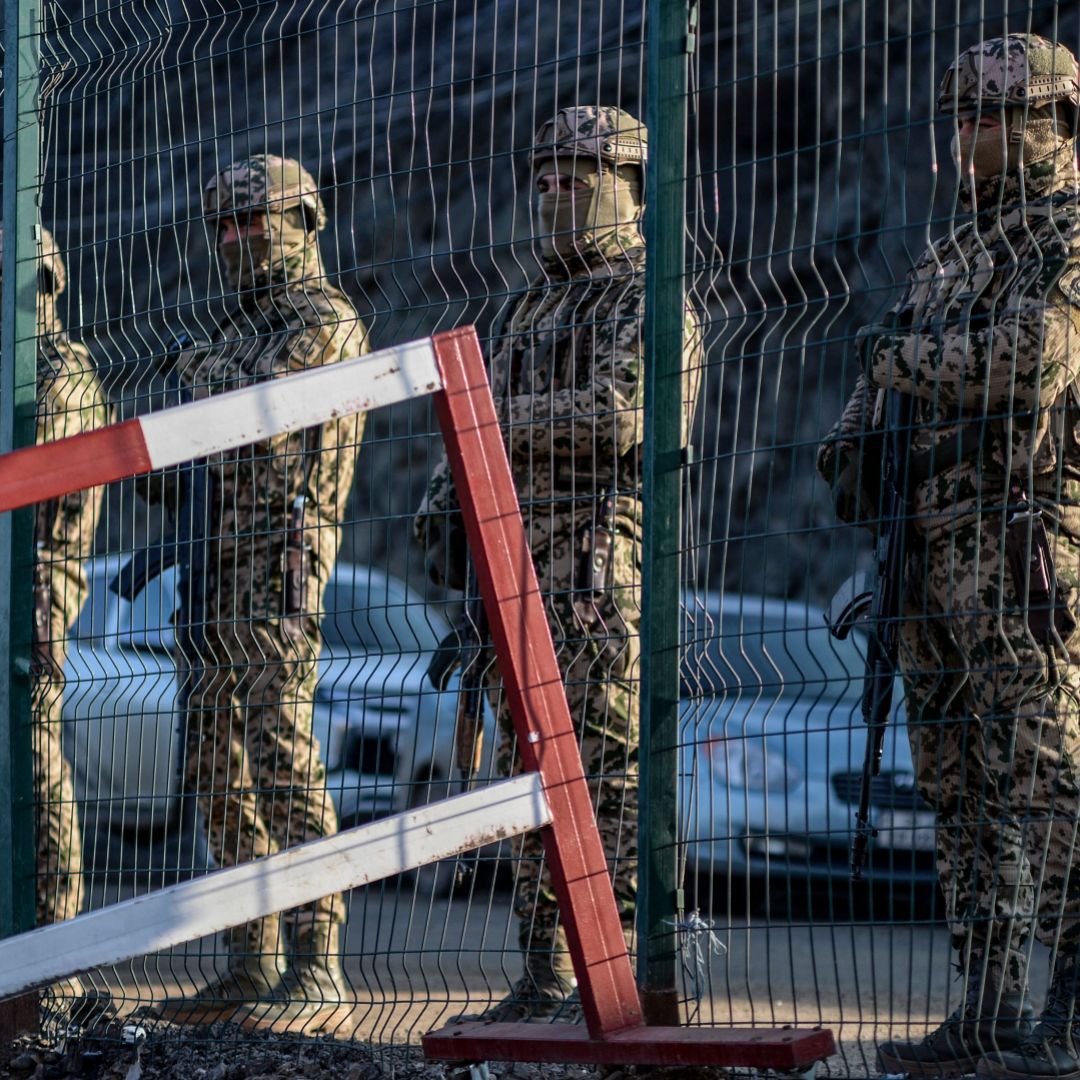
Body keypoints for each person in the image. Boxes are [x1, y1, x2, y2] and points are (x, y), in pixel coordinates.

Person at [817, 34, 1080, 1080]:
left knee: (1043, 774)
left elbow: (1034, 358)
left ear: (1058, 122)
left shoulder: (1065, 233)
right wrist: (853, 440)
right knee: (961, 791)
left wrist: (899, 365)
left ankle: (1067, 1006)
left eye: (999, 109)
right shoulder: (953, 253)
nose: (975, 126)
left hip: (1025, 546)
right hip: (925, 557)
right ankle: (985, 1005)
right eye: (964, 108)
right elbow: (869, 397)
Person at [415, 105, 700, 1021]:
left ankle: (614, 979)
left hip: (590, 581)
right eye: (541, 179)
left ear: (628, 188)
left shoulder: (649, 298)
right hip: (509, 576)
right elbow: (469, 430)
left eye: (577, 178)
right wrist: (446, 497)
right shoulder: (528, 306)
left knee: (602, 775)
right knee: (526, 777)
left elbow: (622, 420)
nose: (553, 195)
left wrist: (487, 429)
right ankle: (544, 973)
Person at [156, 155, 369, 1025]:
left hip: (277, 565)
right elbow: (183, 455)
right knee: (217, 769)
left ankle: (319, 967)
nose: (239, 240)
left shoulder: (323, 320)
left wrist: (197, 374)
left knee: (281, 759)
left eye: (256, 221)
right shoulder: (240, 328)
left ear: (304, 221)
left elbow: (264, 421)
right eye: (226, 227)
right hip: (214, 571)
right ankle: (253, 958)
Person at [31, 226, 109, 930]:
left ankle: (54, 946)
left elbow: (38, 480)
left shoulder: (61, 369)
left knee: (34, 764)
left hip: (37, 588)